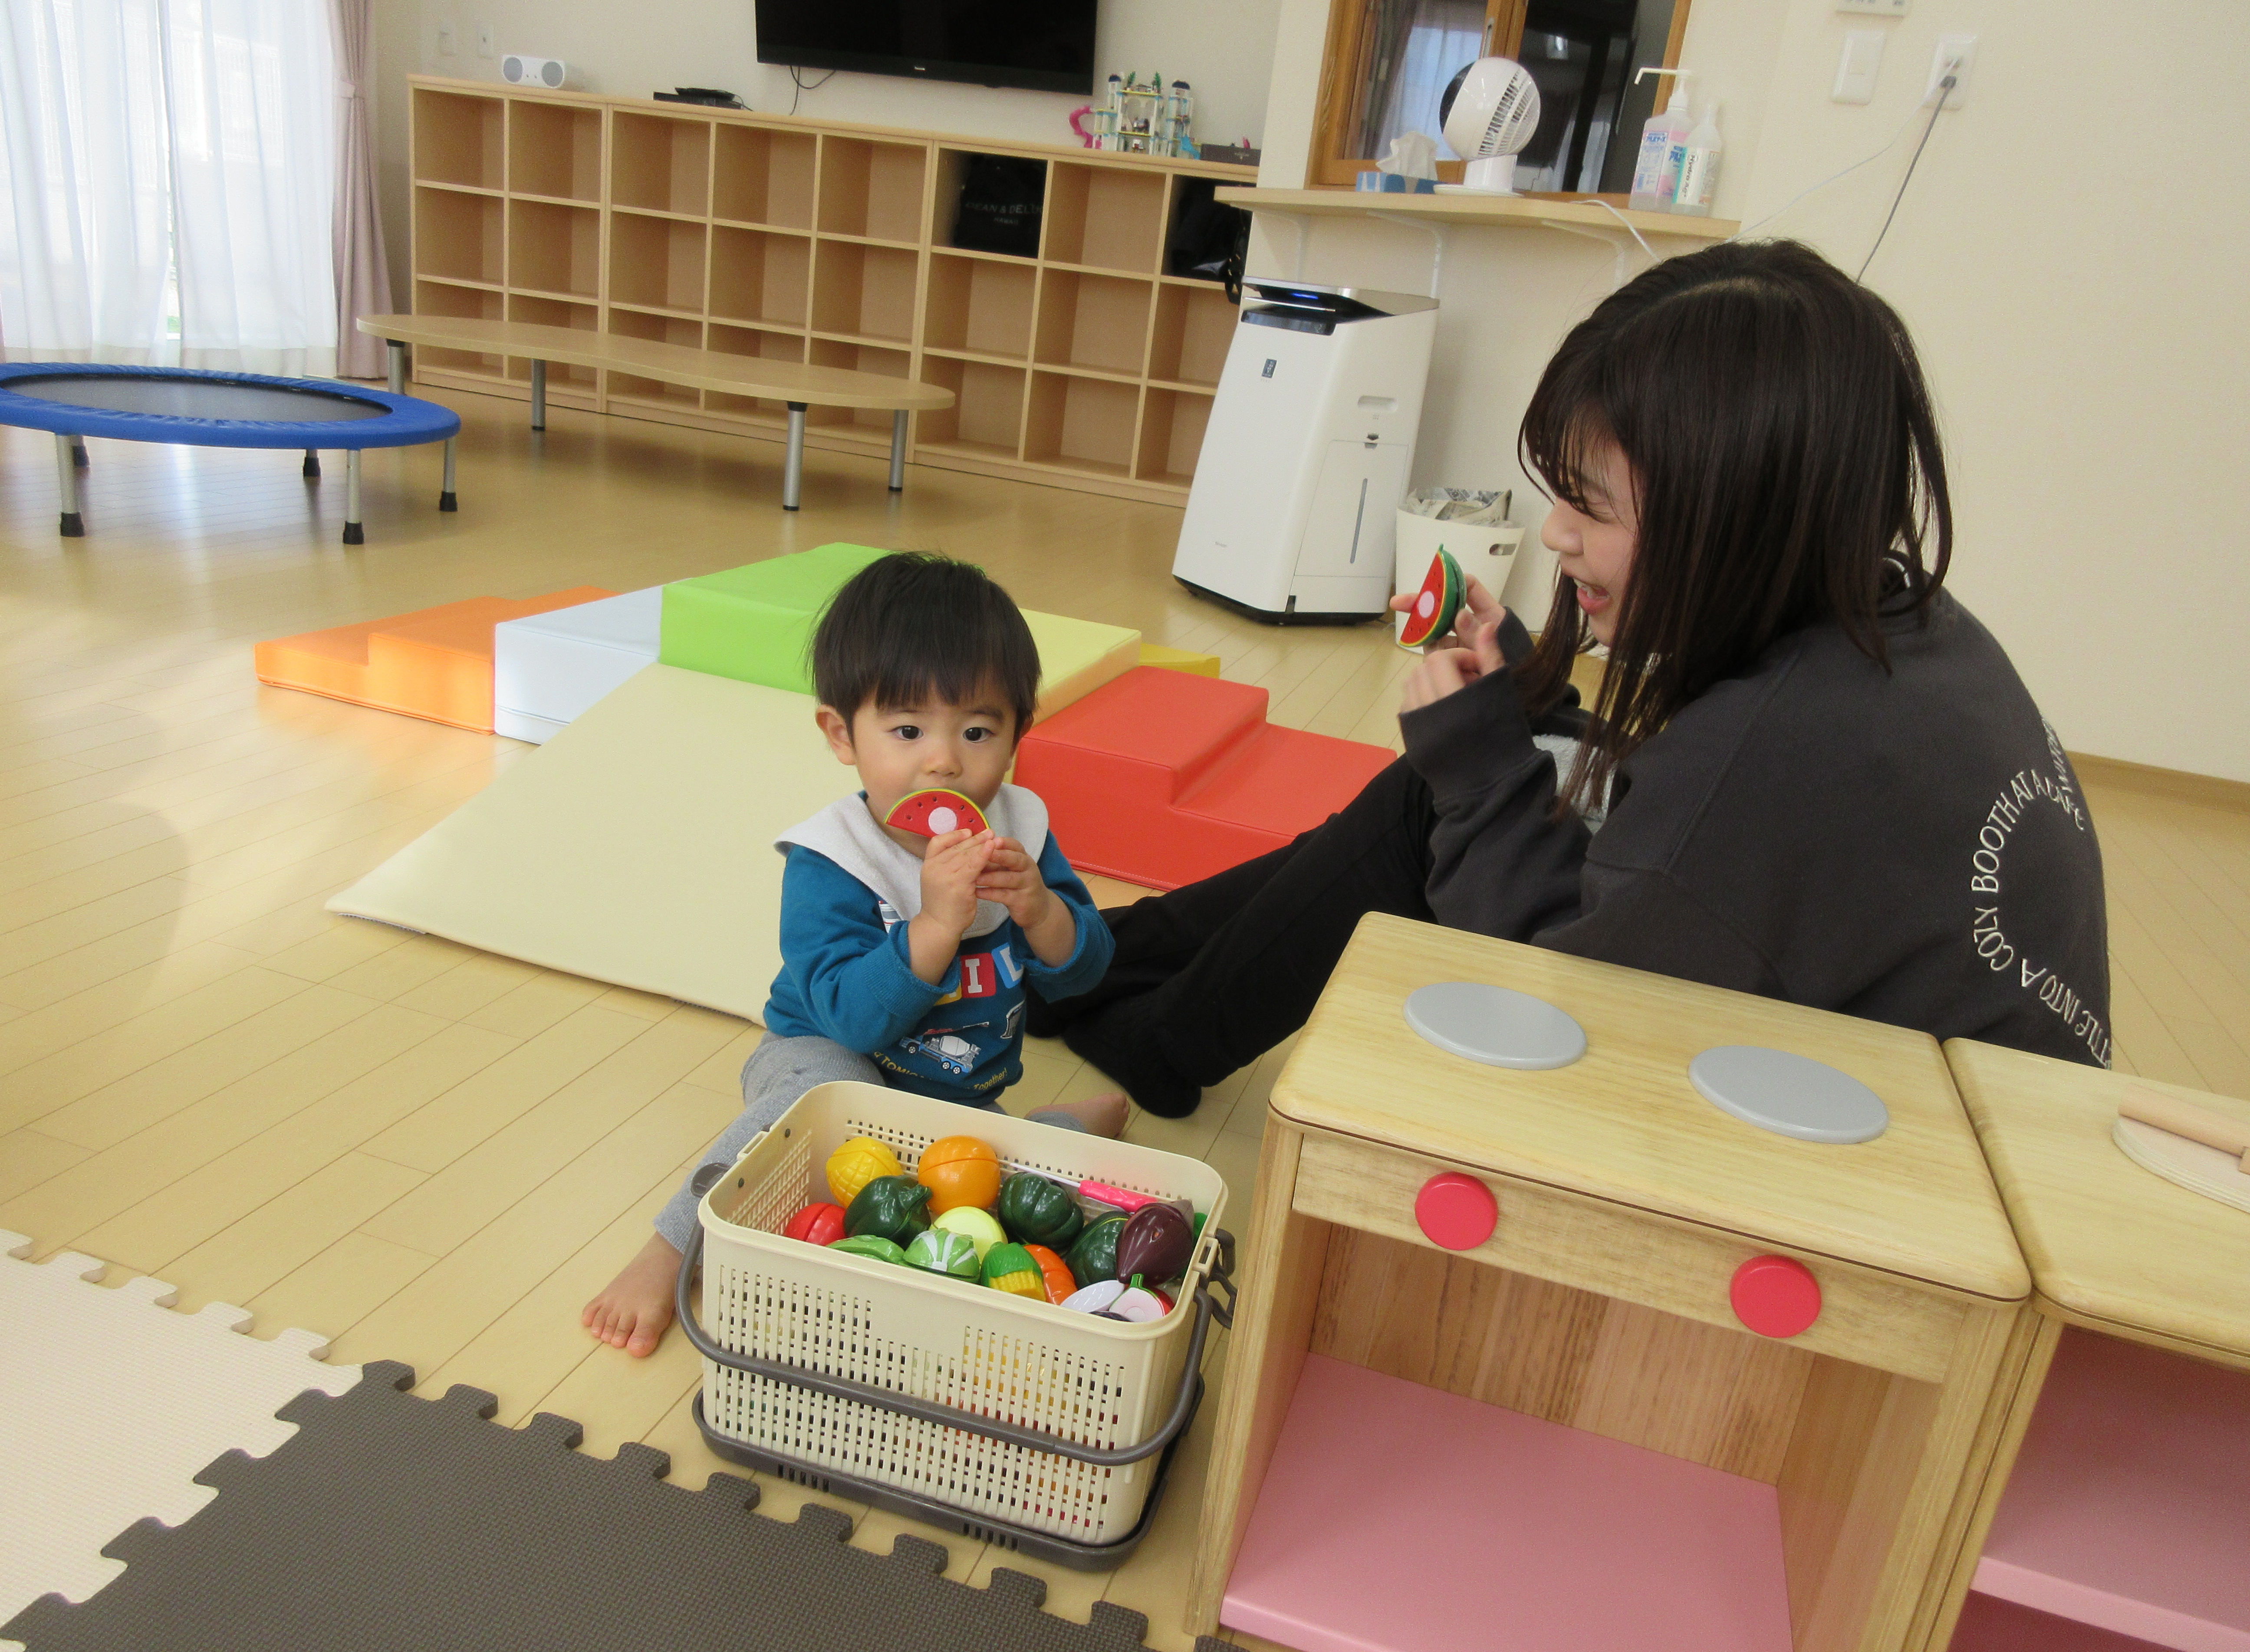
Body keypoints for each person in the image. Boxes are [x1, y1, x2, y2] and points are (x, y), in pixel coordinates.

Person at [1038, 238, 2110, 1117]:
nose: (1554, 532)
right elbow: (1694, 856)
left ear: (1738, 519)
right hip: (1863, 1065)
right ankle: (1114, 961)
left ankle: (1144, 1022)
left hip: (1873, 1157)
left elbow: (1562, 1016)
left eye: (1590, 505)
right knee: (1454, 781)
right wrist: (1522, 706)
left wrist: (1481, 769)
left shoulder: (1771, 763)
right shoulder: (1906, 628)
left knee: (1444, 792)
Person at [585, 554, 1127, 1356]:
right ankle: (670, 1250)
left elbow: (1087, 971)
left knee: (979, 1195)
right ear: (842, 734)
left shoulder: (1022, 830)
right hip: (824, 1057)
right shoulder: (831, 860)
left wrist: (1043, 911)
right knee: (826, 1101)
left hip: (952, 1090)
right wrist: (935, 926)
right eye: (907, 731)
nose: (944, 761)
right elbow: (851, 1018)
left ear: (1020, 732)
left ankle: (1054, 1128)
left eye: (978, 732)